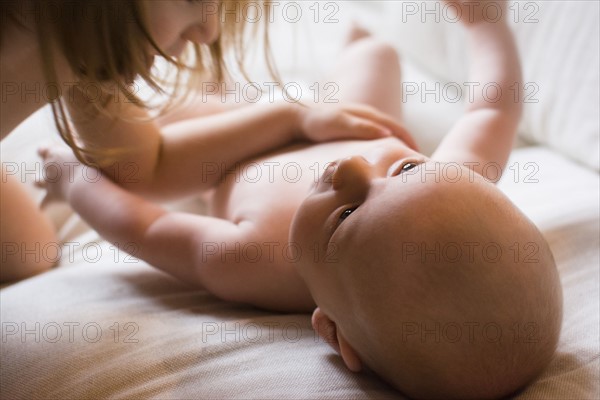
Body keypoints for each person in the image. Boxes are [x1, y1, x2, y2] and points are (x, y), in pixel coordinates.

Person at [38, 1, 562, 398]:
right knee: (376, 54)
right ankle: (358, 28)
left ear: (333, 333)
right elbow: (494, 110)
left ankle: (226, 97)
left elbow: (144, 227)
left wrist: (74, 183)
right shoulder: (450, 182)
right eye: (404, 169)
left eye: (347, 216)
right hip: (344, 114)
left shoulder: (254, 259)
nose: (353, 168)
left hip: (228, 151)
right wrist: (483, 23)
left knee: (174, 126)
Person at [0, 0, 409, 282]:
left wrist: (292, 118)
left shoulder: (83, 40)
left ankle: (215, 102)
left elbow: (145, 167)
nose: (209, 31)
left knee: (30, 250)